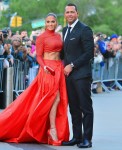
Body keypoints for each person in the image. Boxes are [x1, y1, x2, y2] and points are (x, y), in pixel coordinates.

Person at [0, 13, 69, 146]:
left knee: (56, 99)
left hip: (58, 68)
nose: (50, 24)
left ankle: (47, 129)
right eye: (48, 21)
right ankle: (52, 129)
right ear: (45, 23)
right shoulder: (41, 37)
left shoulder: (59, 36)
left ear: (56, 22)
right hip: (48, 70)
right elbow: (38, 56)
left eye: (53, 21)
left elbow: (63, 53)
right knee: (54, 98)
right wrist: (44, 67)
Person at [61, 3, 94, 148]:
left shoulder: (85, 29)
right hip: (69, 77)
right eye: (67, 12)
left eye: (72, 12)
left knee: (85, 108)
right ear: (65, 14)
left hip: (81, 75)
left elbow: (89, 53)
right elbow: (64, 53)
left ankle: (87, 139)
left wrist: (72, 65)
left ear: (77, 13)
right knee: (74, 108)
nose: (69, 14)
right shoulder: (64, 30)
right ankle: (77, 137)